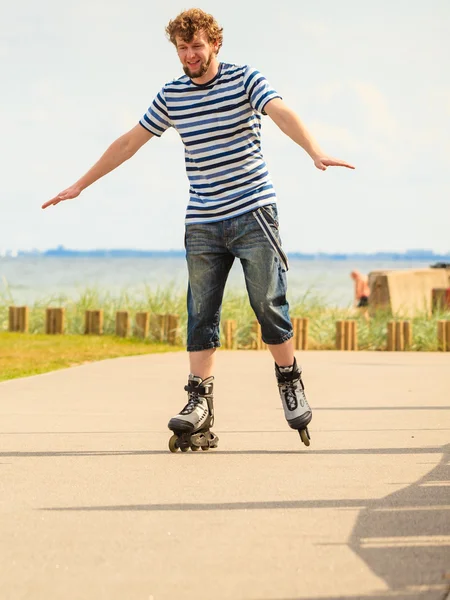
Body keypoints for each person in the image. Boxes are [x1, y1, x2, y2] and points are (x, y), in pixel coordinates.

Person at [42, 9, 355, 450]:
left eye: (197, 46)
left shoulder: (245, 79)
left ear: (215, 44)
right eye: (182, 48)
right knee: (200, 312)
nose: (190, 55)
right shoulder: (171, 95)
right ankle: (199, 401)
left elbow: (280, 112)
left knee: (267, 301)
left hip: (253, 212)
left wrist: (314, 151)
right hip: (203, 220)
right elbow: (130, 142)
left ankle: (289, 381)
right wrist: (80, 184)